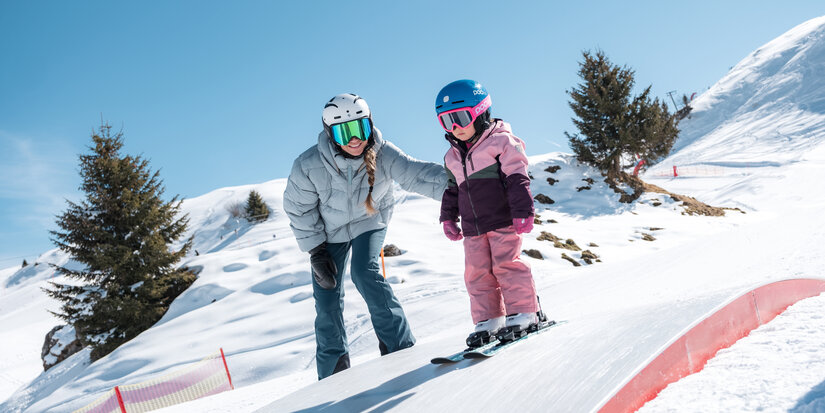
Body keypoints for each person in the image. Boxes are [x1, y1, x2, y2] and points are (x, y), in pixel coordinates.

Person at [283, 93, 446, 380]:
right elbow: (298, 208)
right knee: (327, 297)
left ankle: (400, 347)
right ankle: (333, 371)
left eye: (360, 128)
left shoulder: (383, 153)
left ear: (369, 125)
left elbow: (416, 175)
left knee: (364, 272)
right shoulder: (308, 165)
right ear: (330, 134)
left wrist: (461, 185)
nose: (354, 139)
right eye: (344, 131)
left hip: (369, 221)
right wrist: (316, 251)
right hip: (327, 234)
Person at [435, 79, 544, 347]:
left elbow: (518, 178)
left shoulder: (502, 142)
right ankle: (488, 320)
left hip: (502, 220)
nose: (456, 128)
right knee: (476, 274)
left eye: (461, 118)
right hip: (473, 228)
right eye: (447, 122)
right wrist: (448, 217)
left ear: (481, 112)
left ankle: (524, 313)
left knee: (507, 266)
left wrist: (523, 210)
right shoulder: (451, 157)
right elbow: (452, 190)